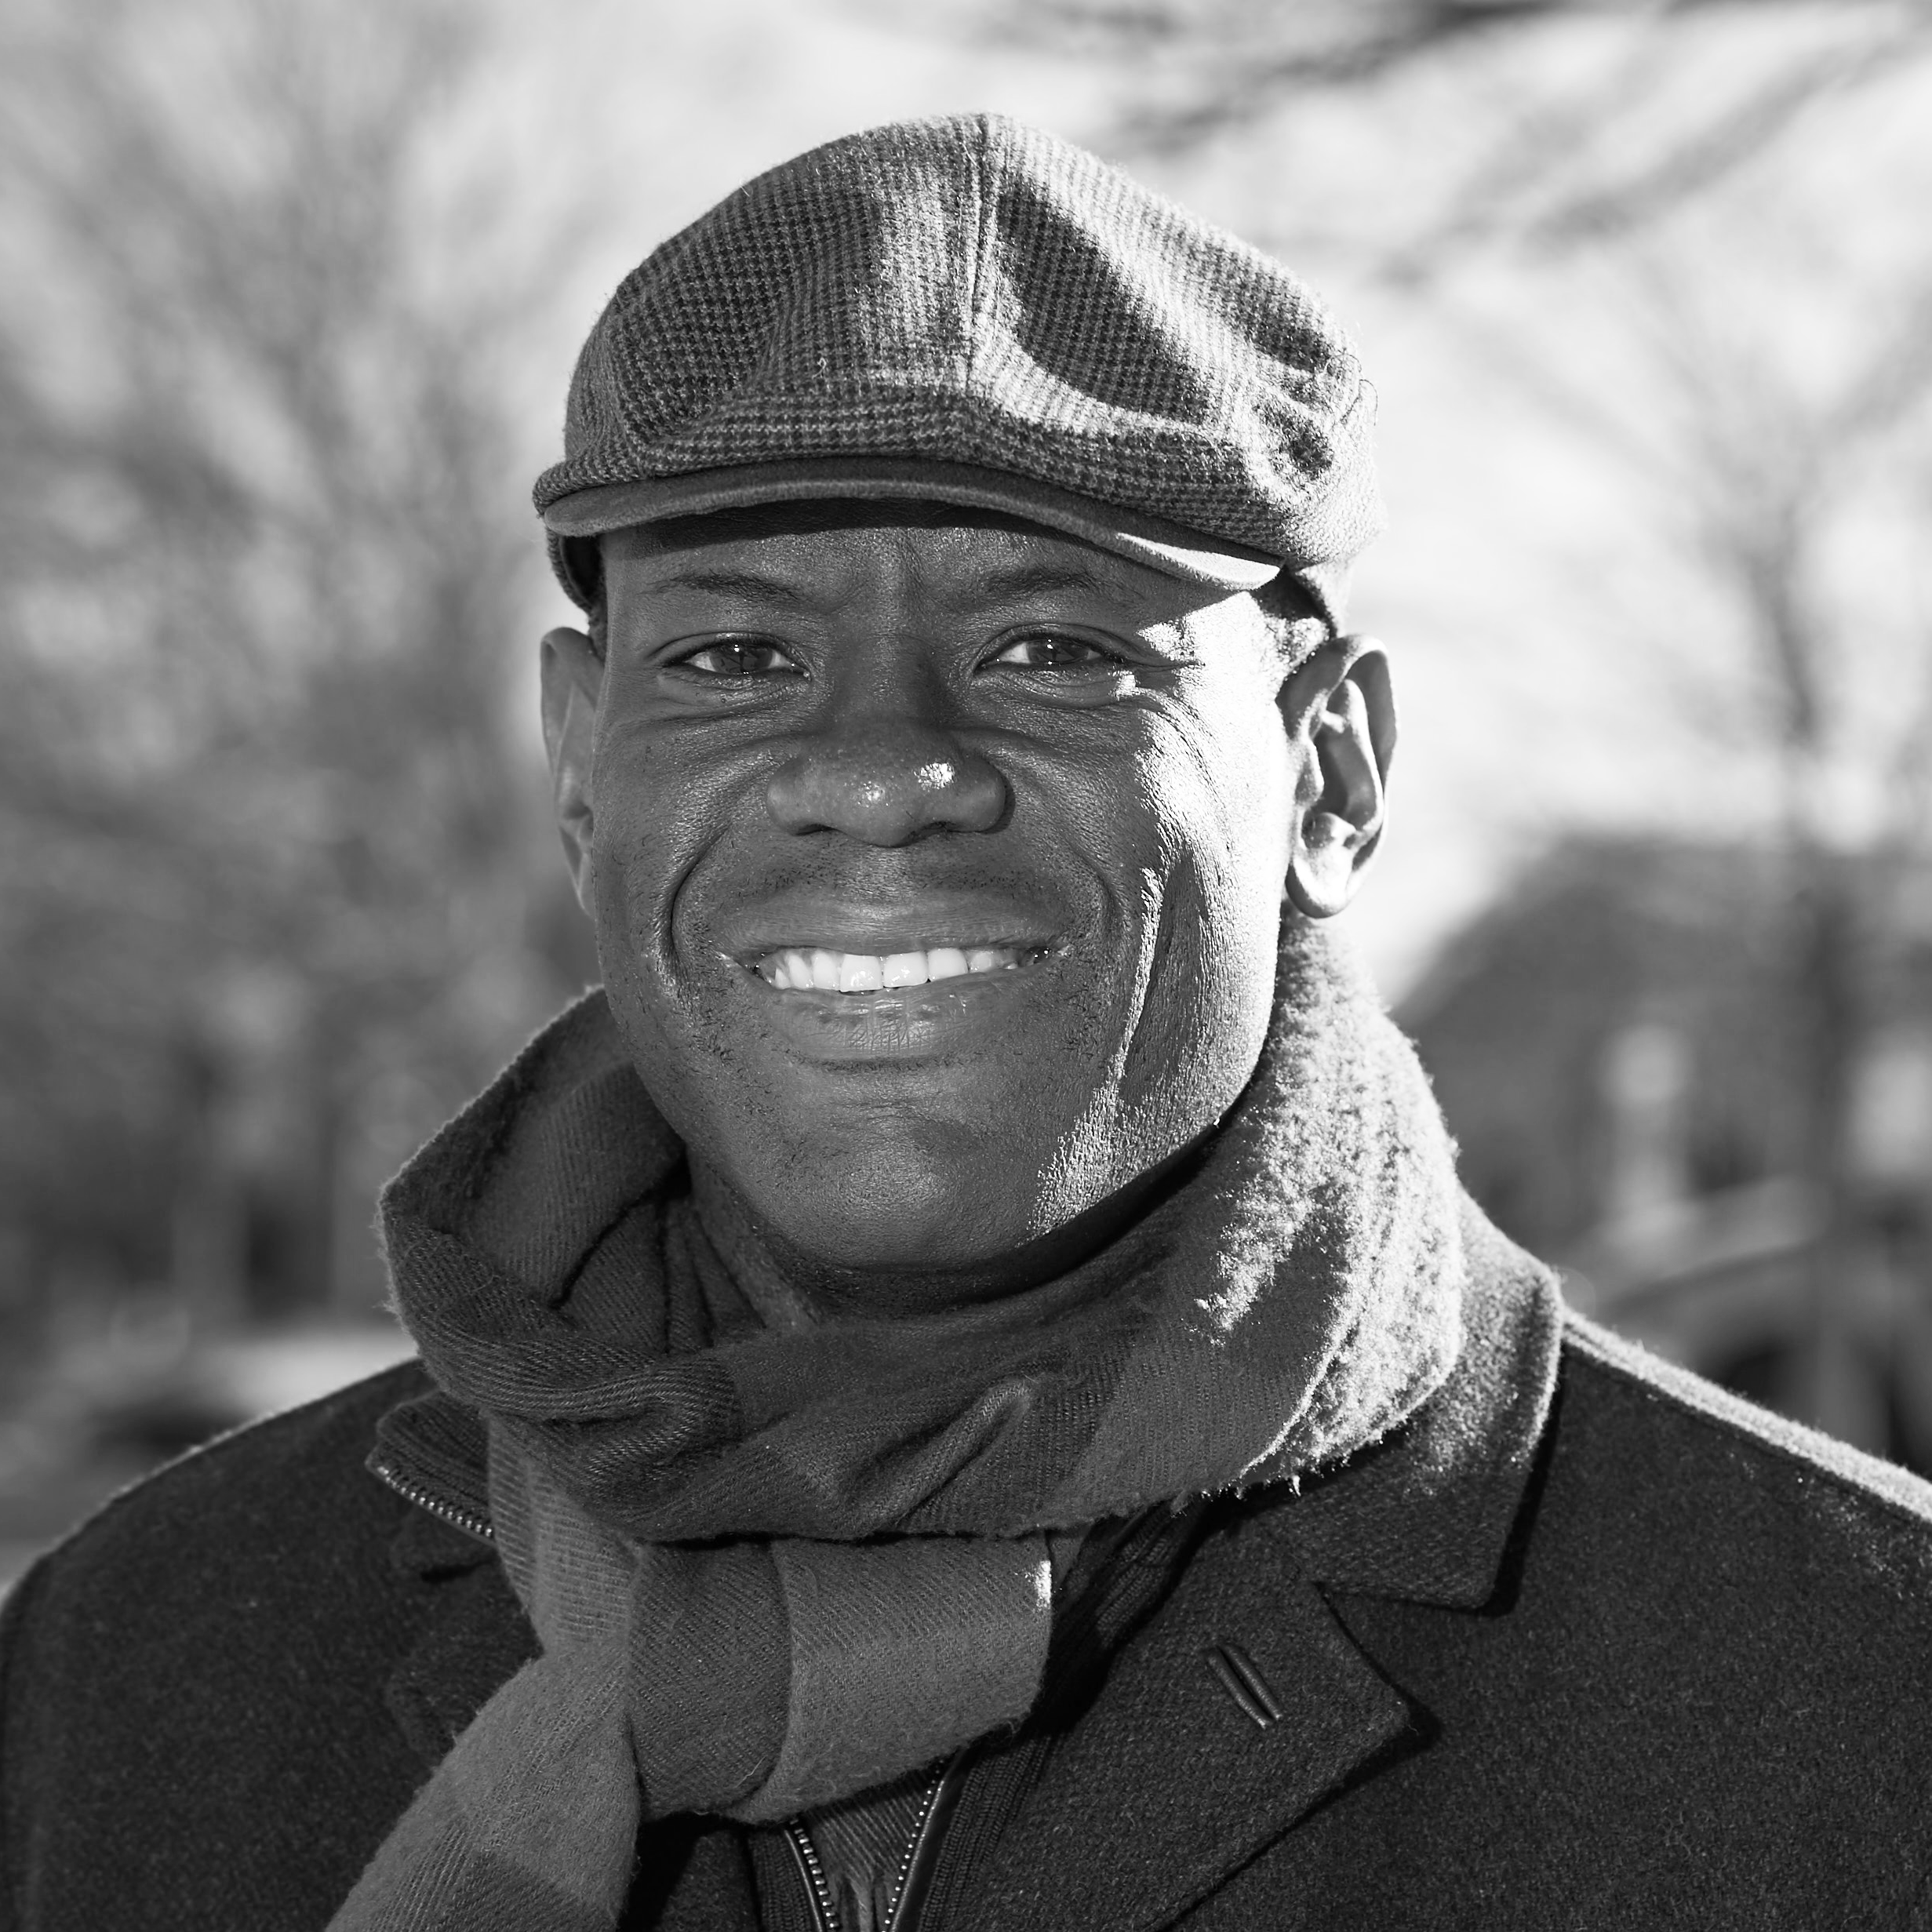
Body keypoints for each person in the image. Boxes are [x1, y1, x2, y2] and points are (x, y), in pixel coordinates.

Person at [3, 113, 1930, 1932]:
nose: (878, 770)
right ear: (581, 759)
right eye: (735, 653)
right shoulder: (126, 1664)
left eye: (1057, 652)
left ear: (1329, 774)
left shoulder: (1859, 1698)